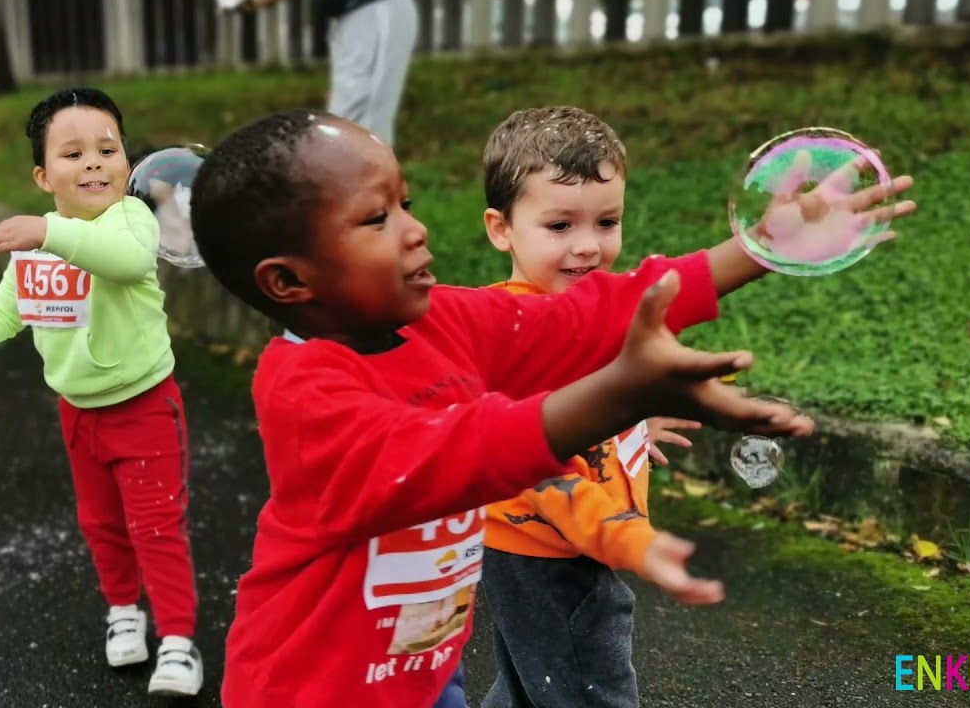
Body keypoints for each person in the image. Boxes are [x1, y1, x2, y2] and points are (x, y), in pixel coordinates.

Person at [183, 108, 884, 708]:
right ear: (290, 281)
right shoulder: (306, 395)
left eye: (406, 202)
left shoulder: (443, 321)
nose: (415, 229)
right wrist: (625, 391)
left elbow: (587, 317)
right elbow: (459, 449)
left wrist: (758, 247)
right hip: (310, 692)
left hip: (419, 667)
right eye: (376, 217)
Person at [475, 106, 916, 708]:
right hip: (559, 554)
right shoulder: (518, 329)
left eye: (607, 221)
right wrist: (631, 541)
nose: (588, 246)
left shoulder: (570, 308)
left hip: (520, 553)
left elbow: (585, 393)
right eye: (558, 226)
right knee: (588, 686)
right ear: (501, 229)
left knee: (531, 684)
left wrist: (629, 422)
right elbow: (536, 470)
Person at [0, 88, 203, 697]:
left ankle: (178, 640)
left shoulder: (133, 222)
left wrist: (47, 231)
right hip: (78, 412)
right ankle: (123, 610)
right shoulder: (38, 242)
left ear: (126, 164)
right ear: (44, 175)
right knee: (100, 523)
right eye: (73, 153)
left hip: (144, 407)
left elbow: (121, 260)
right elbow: (6, 312)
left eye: (107, 149)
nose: (93, 162)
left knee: (156, 527)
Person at [241, 0, 417, 146]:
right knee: (347, 121)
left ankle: (365, 179)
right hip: (353, 14)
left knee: (361, 122)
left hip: (374, 7)